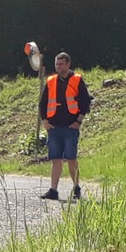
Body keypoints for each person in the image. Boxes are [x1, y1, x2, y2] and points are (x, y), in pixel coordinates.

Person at [39, 52, 92, 201]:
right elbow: (42, 103)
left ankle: (76, 188)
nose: (58, 66)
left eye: (61, 64)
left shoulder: (77, 80)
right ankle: (53, 190)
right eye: (57, 64)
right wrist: (45, 122)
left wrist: (78, 122)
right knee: (55, 159)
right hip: (54, 127)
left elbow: (85, 102)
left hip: (70, 127)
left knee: (71, 159)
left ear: (68, 64)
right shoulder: (51, 81)